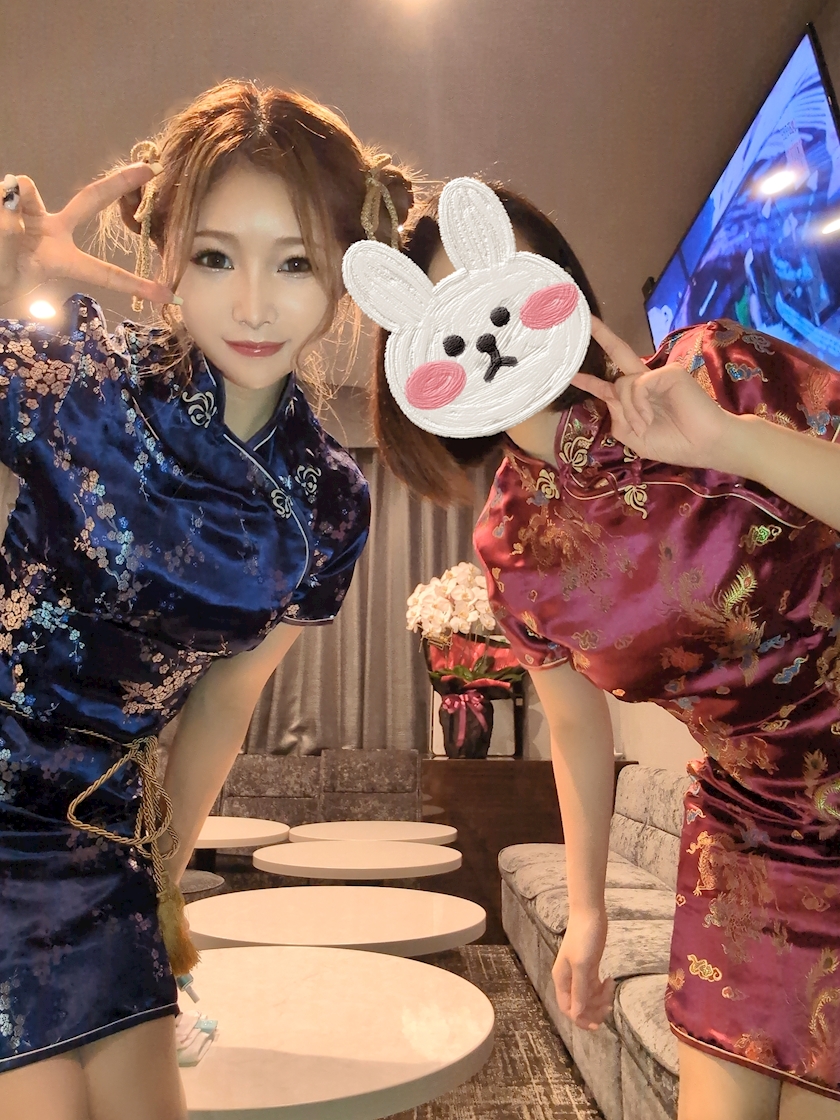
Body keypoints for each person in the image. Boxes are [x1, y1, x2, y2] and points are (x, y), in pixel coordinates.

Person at [370, 186, 840, 1120]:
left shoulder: (714, 371)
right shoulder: (510, 546)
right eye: (455, 324)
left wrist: (731, 442)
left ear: (565, 288)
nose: (492, 336)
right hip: (753, 829)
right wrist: (587, 913)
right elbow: (577, 730)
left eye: (509, 288)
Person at [0, 80, 411, 1120]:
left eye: (296, 263)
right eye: (218, 256)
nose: (255, 304)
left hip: (109, 838)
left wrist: (162, 877)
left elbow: (229, 699)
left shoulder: (330, 499)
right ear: (169, 256)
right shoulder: (76, 380)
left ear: (345, 273)